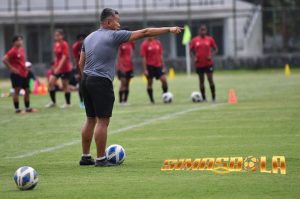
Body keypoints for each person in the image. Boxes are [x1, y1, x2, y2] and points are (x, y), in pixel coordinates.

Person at [78, 8, 182, 167]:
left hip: (86, 80)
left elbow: (81, 63)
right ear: (108, 22)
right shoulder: (113, 35)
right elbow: (146, 32)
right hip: (101, 82)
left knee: (90, 119)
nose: (119, 24)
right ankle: (100, 159)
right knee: (103, 121)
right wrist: (169, 29)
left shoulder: (89, 37)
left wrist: (87, 78)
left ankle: (86, 157)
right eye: (116, 21)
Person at [2, 35, 36, 113]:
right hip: (16, 74)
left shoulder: (22, 50)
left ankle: (27, 108)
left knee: (27, 91)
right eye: (18, 40)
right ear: (14, 42)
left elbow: (22, 61)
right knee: (16, 91)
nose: (20, 42)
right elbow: (4, 59)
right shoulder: (13, 51)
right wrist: (11, 68)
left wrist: (25, 68)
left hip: (24, 74)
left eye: (21, 40)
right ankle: (17, 109)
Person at [190, 24, 218, 102]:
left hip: (208, 63)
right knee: (201, 81)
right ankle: (204, 98)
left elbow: (215, 49)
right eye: (201, 30)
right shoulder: (195, 40)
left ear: (206, 31)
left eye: (204, 30)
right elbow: (191, 51)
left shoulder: (210, 39)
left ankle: (213, 97)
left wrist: (211, 56)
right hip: (199, 64)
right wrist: (194, 58)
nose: (203, 31)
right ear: (199, 31)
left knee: (210, 80)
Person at [45, 29, 72, 108]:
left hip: (65, 69)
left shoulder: (64, 44)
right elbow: (56, 57)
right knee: (50, 82)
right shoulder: (55, 44)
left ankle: (68, 103)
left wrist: (58, 68)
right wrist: (54, 66)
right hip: (57, 68)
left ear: (62, 36)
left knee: (65, 85)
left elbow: (64, 57)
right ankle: (53, 102)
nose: (56, 37)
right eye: (55, 35)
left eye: (58, 35)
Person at [140, 37, 168, 104]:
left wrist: (163, 66)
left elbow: (160, 55)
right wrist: (145, 69)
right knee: (150, 83)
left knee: (164, 80)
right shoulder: (144, 44)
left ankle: (165, 96)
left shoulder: (158, 42)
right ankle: (151, 100)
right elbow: (144, 58)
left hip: (158, 65)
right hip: (150, 66)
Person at [116, 27, 135, 104]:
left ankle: (125, 101)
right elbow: (118, 56)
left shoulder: (131, 43)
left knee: (127, 83)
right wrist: (121, 66)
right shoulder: (120, 43)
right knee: (123, 83)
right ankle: (121, 101)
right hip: (122, 67)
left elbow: (131, 54)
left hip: (129, 66)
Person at [72, 33, 86, 108]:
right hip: (79, 68)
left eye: (82, 39)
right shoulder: (75, 47)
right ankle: (81, 102)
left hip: (89, 67)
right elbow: (76, 60)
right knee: (81, 85)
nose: (81, 41)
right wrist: (77, 72)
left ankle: (88, 101)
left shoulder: (88, 45)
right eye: (79, 40)